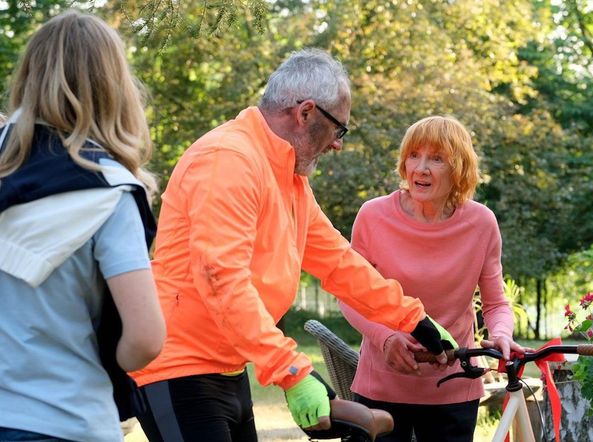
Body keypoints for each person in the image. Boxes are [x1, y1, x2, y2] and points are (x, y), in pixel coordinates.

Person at [130, 48, 457, 442]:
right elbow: (222, 278)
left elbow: (337, 262)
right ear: (305, 113)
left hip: (227, 370)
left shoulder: (288, 177)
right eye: (339, 130)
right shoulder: (229, 160)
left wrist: (413, 319)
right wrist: (290, 371)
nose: (337, 145)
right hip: (179, 368)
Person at [0, 11, 166, 442]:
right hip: (65, 418)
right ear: (113, 87)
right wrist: (113, 355)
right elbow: (145, 339)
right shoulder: (110, 193)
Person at [339, 116, 526, 442]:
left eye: (436, 159)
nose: (420, 168)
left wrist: (501, 334)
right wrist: (384, 339)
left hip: (454, 386)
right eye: (414, 155)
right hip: (382, 386)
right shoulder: (373, 216)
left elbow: (495, 302)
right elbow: (351, 295)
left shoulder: (482, 223)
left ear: (459, 169)